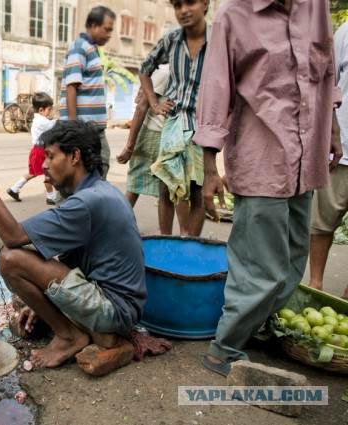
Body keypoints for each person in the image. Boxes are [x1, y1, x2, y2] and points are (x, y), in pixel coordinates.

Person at [192, 0, 342, 376]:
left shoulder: (316, 7)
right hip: (262, 157)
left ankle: (257, 329)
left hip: (305, 156)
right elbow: (215, 89)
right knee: (260, 267)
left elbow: (324, 76)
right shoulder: (234, 15)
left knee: (294, 258)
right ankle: (223, 349)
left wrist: (333, 129)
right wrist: (210, 167)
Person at [0, 120, 146, 368]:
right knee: (26, 289)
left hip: (115, 312)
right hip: (116, 302)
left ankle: (70, 337)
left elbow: (13, 236)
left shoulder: (88, 202)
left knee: (12, 259)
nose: (44, 164)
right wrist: (40, 305)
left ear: (75, 156)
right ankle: (66, 326)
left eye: (50, 156)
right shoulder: (97, 191)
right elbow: (57, 260)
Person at [138, 0, 209, 236]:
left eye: (190, 3)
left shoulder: (219, 42)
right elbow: (145, 69)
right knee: (166, 188)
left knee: (198, 191)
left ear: (205, 4)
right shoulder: (171, 41)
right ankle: (165, 241)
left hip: (204, 125)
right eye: (178, 5)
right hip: (174, 123)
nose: (184, 11)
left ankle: (190, 244)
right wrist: (154, 102)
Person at [309, 21, 348, 302]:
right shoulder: (346, 30)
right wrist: (330, 132)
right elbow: (327, 78)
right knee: (322, 223)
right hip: (342, 147)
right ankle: (315, 285)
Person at [59, 6, 115, 180]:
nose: (109, 35)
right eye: (107, 30)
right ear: (93, 25)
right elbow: (71, 87)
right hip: (83, 129)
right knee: (85, 174)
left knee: (97, 170)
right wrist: (74, 127)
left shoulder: (92, 49)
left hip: (92, 129)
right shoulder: (79, 47)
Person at [116, 65, 170, 208]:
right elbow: (141, 107)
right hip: (151, 135)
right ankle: (116, 225)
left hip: (168, 137)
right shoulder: (165, 73)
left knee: (168, 192)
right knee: (134, 187)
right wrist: (129, 147)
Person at [6, 92, 58, 205]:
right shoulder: (42, 121)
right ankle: (51, 197)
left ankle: (14, 189)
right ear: (41, 110)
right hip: (41, 151)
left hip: (37, 150)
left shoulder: (38, 119)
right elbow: (51, 125)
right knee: (48, 174)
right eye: (49, 109)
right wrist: (60, 120)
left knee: (32, 173)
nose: (50, 112)